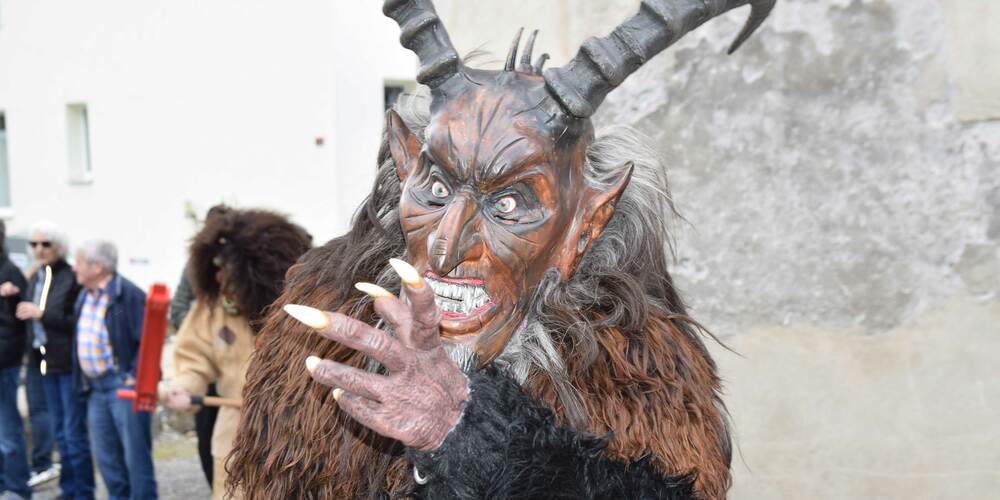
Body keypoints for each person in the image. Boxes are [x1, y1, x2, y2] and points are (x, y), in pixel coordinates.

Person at [227, 1, 775, 498]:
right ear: (405, 162)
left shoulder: (647, 385)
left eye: (509, 204)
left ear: (586, 222)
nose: (445, 247)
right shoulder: (315, 330)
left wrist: (469, 437)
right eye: (436, 189)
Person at [165, 208, 311, 499]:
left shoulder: (298, 311)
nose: (220, 278)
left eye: (227, 269)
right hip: (233, 436)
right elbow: (194, 358)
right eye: (216, 268)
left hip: (292, 435)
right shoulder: (212, 309)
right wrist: (184, 387)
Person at [72, 240, 156, 500]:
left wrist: (134, 376)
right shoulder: (84, 294)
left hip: (122, 385)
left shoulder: (129, 295)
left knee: (136, 458)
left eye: (79, 262)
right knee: (107, 459)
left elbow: (148, 342)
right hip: (94, 388)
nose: (74, 268)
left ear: (97, 266)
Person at [17, 221, 93, 500]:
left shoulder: (71, 276)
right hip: (42, 363)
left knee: (73, 434)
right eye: (34, 244)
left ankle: (83, 492)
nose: (39, 249)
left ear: (58, 246)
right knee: (60, 434)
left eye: (45, 244)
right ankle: (68, 490)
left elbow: (75, 321)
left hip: (67, 364)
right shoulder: (36, 276)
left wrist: (41, 314)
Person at [167, 204, 230, 487]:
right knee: (206, 435)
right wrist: (203, 334)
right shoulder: (194, 269)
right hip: (206, 368)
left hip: (237, 368)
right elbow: (179, 307)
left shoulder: (245, 268)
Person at [0, 221, 31, 499]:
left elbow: (19, 323)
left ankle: (18, 488)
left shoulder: (10, 272)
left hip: (4, 363)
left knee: (8, 432)